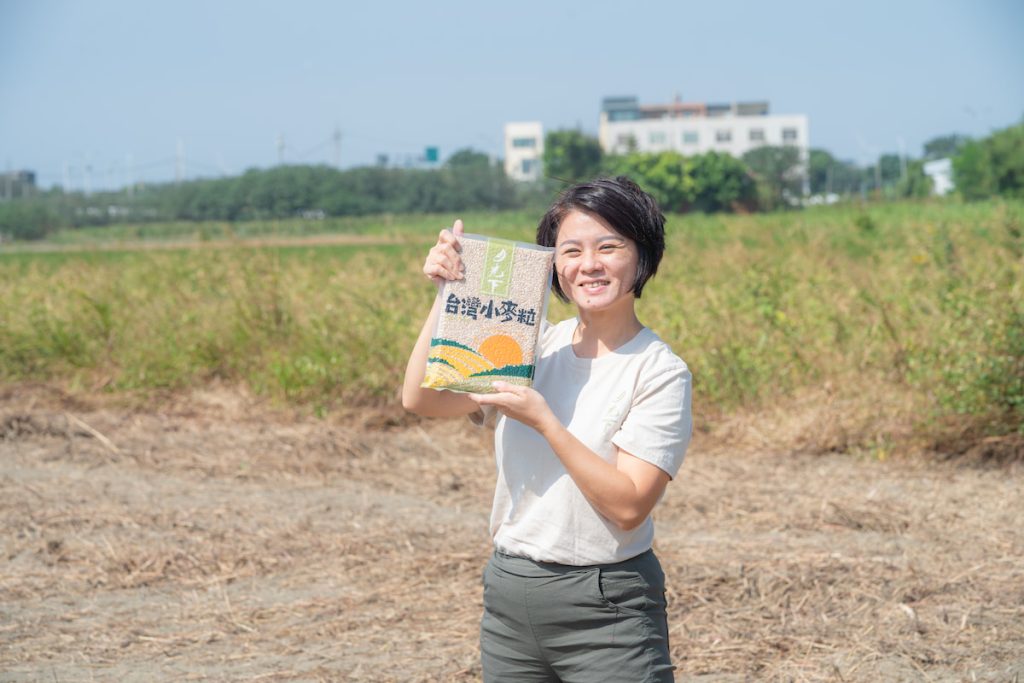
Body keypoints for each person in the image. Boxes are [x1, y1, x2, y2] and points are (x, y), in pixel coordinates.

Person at [401, 176, 692, 682]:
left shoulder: (657, 370)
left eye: (609, 246)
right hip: (511, 595)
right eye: (570, 250)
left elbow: (628, 506)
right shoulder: (529, 346)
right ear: (551, 265)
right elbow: (421, 399)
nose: (589, 264)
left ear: (642, 256)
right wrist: (448, 297)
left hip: (608, 606)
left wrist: (545, 423)